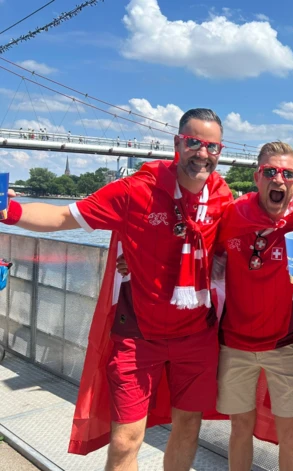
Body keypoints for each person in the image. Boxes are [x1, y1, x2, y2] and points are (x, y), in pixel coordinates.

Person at [2, 108, 234, 471]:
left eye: (212, 147)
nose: (202, 154)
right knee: (126, 440)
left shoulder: (223, 197)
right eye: (193, 143)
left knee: (188, 426)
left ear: (220, 151)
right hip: (138, 335)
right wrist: (8, 212)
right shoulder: (135, 190)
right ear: (177, 144)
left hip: (197, 336)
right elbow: (64, 217)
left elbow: (248, 237)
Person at [215, 141, 293, 471]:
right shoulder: (232, 215)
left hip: (284, 345)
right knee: (239, 430)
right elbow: (198, 248)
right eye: (270, 171)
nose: (278, 179)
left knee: (290, 434)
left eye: (287, 173)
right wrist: (132, 260)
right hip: (233, 344)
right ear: (257, 177)